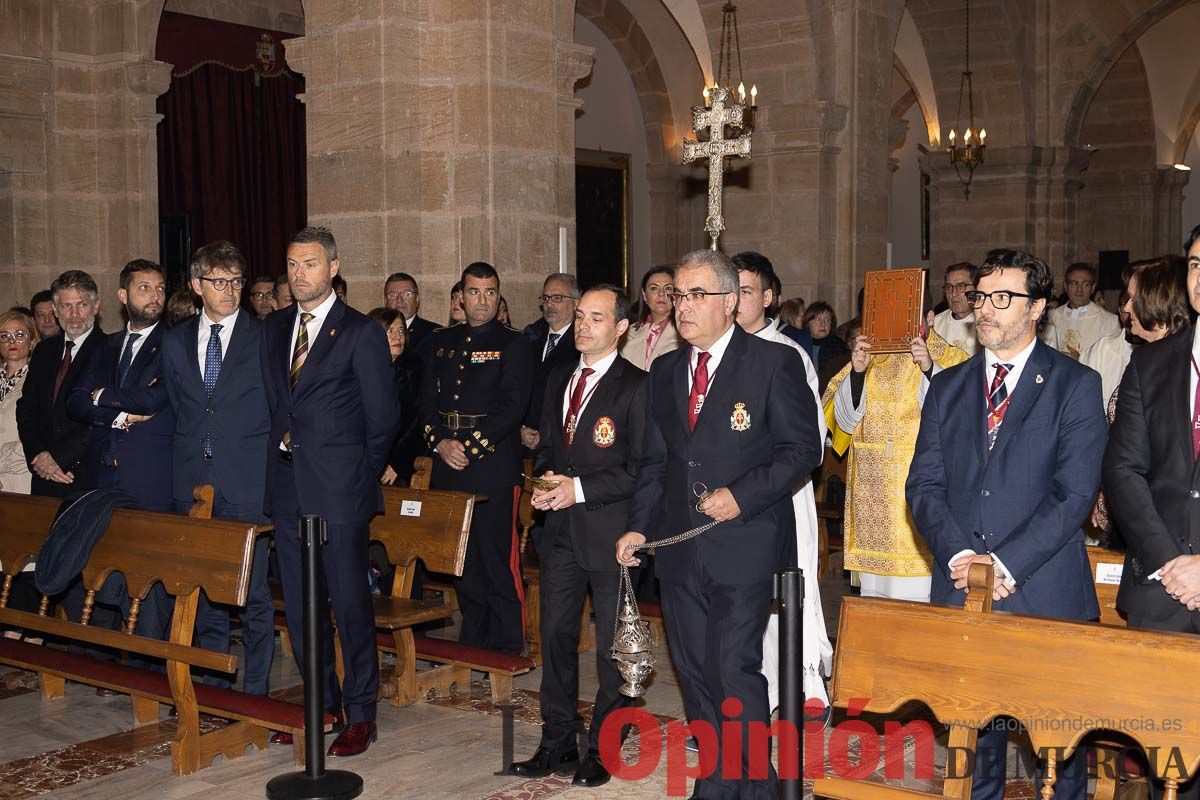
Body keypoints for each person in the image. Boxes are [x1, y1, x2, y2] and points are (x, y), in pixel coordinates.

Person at [616, 249, 823, 800]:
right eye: (678, 295)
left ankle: (755, 787)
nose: (683, 306)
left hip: (747, 542)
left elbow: (804, 449)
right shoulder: (664, 371)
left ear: (731, 302)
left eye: (697, 295)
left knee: (733, 667)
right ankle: (717, 780)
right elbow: (655, 463)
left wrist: (744, 495)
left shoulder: (773, 362)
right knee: (694, 671)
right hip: (682, 549)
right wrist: (640, 528)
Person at [907, 249, 1106, 800]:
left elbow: (1073, 496)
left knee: (1059, 753)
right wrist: (958, 560)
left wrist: (1003, 564)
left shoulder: (1075, 384)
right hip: (961, 590)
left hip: (1041, 591)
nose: (985, 309)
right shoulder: (948, 387)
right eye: (980, 298)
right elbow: (923, 487)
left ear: (1037, 306)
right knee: (976, 753)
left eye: (1002, 298)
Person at [93, 243, 276, 696]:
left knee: (251, 593)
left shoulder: (266, 336)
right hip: (192, 480)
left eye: (236, 281)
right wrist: (127, 413)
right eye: (218, 281)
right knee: (200, 591)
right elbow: (172, 402)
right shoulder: (175, 340)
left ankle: (255, 692)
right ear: (197, 286)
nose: (229, 291)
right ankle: (211, 683)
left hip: (247, 480)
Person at [262, 226, 397, 757]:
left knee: (349, 603)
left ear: (334, 268)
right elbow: (275, 405)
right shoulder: (273, 328)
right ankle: (323, 701)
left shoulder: (359, 332)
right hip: (288, 488)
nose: (299, 274)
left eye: (311, 264)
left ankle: (362, 712)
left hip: (341, 493)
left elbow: (382, 420)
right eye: (293, 264)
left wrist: (355, 480)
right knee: (300, 607)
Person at [508, 285, 646, 788]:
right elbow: (548, 445)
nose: (584, 326)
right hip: (561, 532)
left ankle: (605, 746)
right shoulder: (560, 377)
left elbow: (642, 469)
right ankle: (558, 741)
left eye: (596, 318)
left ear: (621, 327)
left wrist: (579, 489)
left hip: (612, 535)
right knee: (556, 637)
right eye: (581, 316)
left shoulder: (637, 386)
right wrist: (545, 484)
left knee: (612, 647)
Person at [732, 253, 831, 708]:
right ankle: (743, 693)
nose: (736, 300)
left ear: (769, 298)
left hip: (782, 492)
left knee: (788, 585)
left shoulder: (790, 354)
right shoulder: (716, 351)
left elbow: (810, 436)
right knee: (738, 594)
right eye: (730, 290)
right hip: (727, 497)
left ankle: (802, 686)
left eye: (747, 291)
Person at [419, 261, 533, 654]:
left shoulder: (515, 342)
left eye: (488, 292)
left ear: (498, 297)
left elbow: (512, 407)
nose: (481, 300)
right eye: (473, 292)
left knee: (496, 558)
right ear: (461, 298)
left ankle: (507, 642)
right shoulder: (441, 341)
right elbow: (426, 402)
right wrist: (440, 442)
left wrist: (469, 446)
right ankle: (475, 636)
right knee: (461, 561)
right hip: (448, 465)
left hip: (493, 466)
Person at [824, 302, 968, 602]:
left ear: (929, 318)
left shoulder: (951, 357)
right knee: (875, 598)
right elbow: (845, 422)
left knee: (919, 599)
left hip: (917, 491)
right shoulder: (869, 356)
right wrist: (858, 373)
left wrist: (929, 369)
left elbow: (960, 418)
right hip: (872, 492)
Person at [65, 260, 175, 643]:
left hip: (150, 477)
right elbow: (75, 401)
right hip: (103, 472)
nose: (155, 296)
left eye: (160, 288)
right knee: (106, 570)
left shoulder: (174, 342)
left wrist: (106, 397)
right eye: (145, 288)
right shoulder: (107, 345)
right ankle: (114, 657)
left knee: (149, 573)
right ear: (123, 296)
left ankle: (151, 663)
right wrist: (116, 417)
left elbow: (155, 399)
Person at [1091, 257, 1189, 541]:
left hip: (1163, 525)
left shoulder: (1181, 366)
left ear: (1158, 302)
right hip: (1133, 517)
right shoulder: (1147, 360)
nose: (1125, 308)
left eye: (1134, 298)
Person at [16, 270, 106, 498]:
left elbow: (103, 417)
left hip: (84, 476)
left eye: (82, 304)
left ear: (96, 306)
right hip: (43, 477)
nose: (74, 314)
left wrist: (58, 457)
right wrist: (38, 456)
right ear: (55, 310)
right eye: (66, 306)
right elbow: (26, 409)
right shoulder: (44, 351)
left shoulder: (111, 351)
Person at [521, 274, 580, 451]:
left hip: (562, 442)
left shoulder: (582, 342)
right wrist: (520, 428)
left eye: (557, 298)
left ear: (576, 302)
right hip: (525, 438)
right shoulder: (530, 336)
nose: (549, 304)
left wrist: (546, 433)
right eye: (546, 298)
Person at [367, 307, 423, 486]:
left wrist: (398, 463)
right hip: (363, 461)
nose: (398, 337)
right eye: (390, 330)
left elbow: (420, 422)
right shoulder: (357, 371)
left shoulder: (415, 370)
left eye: (401, 330)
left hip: (400, 465)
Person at [1043, 262, 1121, 358]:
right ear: (1065, 286)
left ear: (1092, 288)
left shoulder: (1109, 321)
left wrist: (1081, 360)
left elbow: (1113, 361)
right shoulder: (1052, 317)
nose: (1079, 290)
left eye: (1085, 284)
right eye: (1074, 283)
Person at [0, 310, 38, 494]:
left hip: (19, 477)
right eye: (4, 336)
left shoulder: (40, 380)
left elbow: (40, 432)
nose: (11, 341)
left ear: (32, 342)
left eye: (19, 335)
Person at [619, 266, 680, 371]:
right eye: (654, 288)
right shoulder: (627, 334)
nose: (661, 294)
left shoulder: (685, 333)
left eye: (668, 288)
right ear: (644, 295)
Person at [384, 272, 439, 351]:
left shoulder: (435, 333)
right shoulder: (377, 332)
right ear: (385, 301)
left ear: (417, 300)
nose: (399, 300)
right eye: (393, 295)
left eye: (407, 294)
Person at [932, 262, 978, 355]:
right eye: (949, 287)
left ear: (976, 288)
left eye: (961, 286)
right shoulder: (935, 325)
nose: (953, 294)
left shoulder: (985, 323)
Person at [803, 300, 849, 390]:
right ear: (808, 322)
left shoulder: (839, 347)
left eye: (827, 320)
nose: (823, 324)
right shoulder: (799, 344)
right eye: (818, 319)